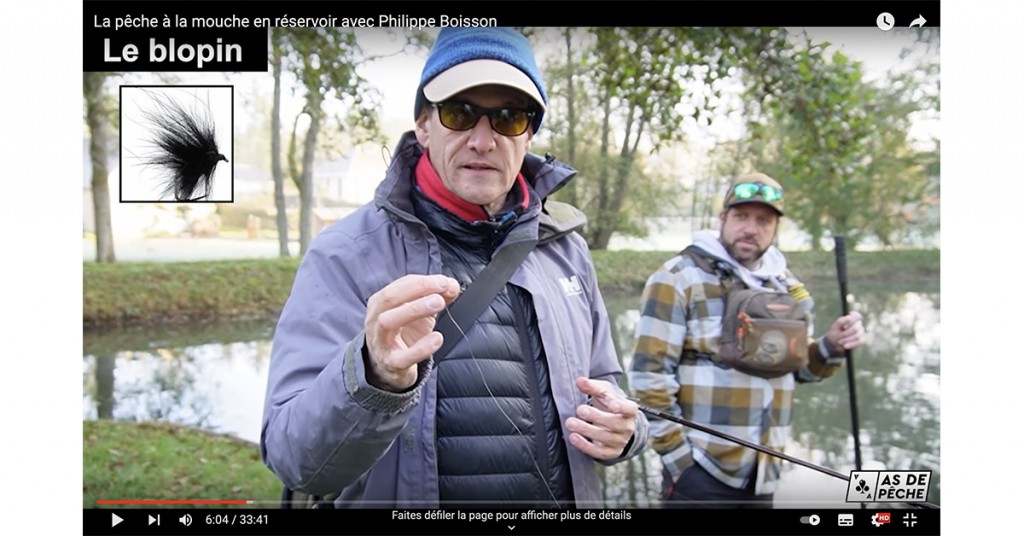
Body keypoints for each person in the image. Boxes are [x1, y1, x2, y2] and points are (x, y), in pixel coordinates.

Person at [261, 27, 648, 509]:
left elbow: (607, 383)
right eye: (459, 113)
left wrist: (627, 432)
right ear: (424, 124)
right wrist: (373, 378)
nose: (482, 141)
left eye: (508, 118)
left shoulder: (566, 249)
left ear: (528, 135)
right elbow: (295, 459)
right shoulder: (344, 254)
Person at [628, 173, 866, 509]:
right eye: (741, 217)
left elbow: (799, 370)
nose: (751, 229)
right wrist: (680, 462)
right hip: (701, 474)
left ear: (775, 228)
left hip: (765, 473)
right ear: (722, 219)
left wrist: (832, 346)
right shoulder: (677, 278)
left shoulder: (787, 286)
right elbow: (648, 378)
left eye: (763, 220)